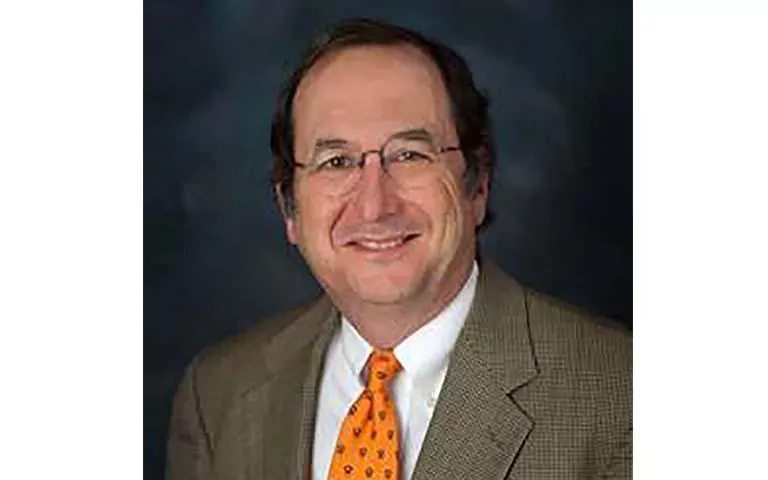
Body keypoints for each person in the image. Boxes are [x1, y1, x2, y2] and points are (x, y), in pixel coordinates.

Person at [166, 18, 631, 480]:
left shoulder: (625, 395)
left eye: (410, 155)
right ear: (289, 208)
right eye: (336, 162)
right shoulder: (217, 394)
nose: (374, 205)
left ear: (477, 185)